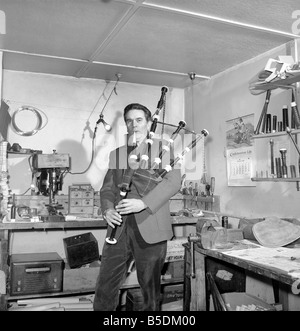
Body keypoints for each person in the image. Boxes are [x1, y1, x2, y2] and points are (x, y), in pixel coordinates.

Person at [93, 103, 182, 311]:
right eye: (129, 121)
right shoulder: (117, 153)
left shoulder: (164, 149)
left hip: (150, 227)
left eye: (139, 120)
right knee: (105, 286)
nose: (134, 125)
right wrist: (107, 209)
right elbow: (107, 189)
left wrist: (143, 203)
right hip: (118, 227)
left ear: (150, 123)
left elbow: (173, 182)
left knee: (150, 292)